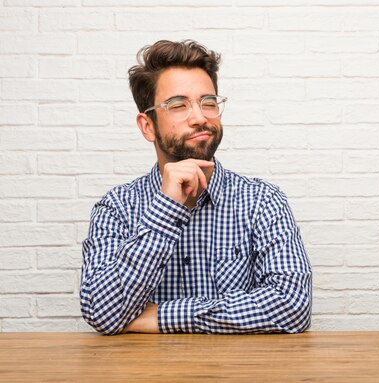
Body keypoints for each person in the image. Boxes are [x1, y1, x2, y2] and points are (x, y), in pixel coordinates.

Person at [80, 40, 312, 335]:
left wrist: (162, 317)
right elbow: (102, 312)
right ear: (147, 126)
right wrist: (166, 209)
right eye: (178, 105)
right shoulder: (116, 208)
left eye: (209, 103)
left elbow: (293, 306)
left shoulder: (262, 201)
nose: (201, 117)